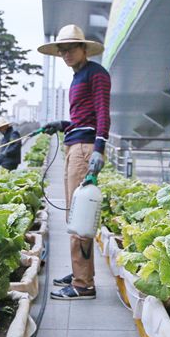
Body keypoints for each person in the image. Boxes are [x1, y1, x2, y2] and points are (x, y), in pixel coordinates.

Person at [38, 24, 111, 301]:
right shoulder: (77, 76)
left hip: (84, 149)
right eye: (62, 50)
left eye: (71, 48)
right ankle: (80, 271)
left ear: (84, 48)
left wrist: (99, 149)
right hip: (74, 144)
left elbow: (102, 113)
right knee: (74, 213)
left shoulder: (96, 74)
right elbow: (83, 119)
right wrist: (62, 124)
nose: (66, 54)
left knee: (78, 216)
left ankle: (83, 284)